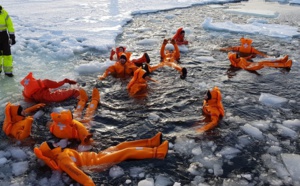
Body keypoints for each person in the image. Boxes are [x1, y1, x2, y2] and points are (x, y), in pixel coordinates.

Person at [34, 132, 169, 186]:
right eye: (53, 145)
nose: (57, 144)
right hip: (98, 163)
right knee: (125, 152)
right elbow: (78, 174)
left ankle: (151, 142)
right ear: (52, 151)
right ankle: (158, 152)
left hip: (98, 156)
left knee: (121, 146)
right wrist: (89, 183)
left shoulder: (63, 153)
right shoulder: (63, 160)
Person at [228, 52, 292, 71]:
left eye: (238, 55)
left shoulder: (239, 58)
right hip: (252, 65)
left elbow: (243, 58)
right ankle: (285, 65)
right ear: (234, 59)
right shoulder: (239, 64)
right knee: (266, 64)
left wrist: (249, 57)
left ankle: (281, 61)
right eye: (237, 56)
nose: (239, 56)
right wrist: (257, 67)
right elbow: (247, 68)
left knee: (265, 61)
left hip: (252, 63)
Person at [0, 5, 16, 77]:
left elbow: (10, 25)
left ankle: (8, 71)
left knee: (7, 54)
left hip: (4, 35)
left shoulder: (4, 13)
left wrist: (12, 36)